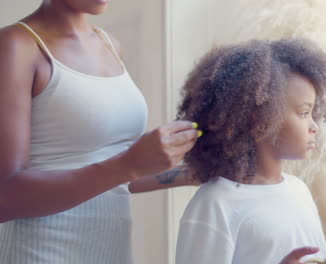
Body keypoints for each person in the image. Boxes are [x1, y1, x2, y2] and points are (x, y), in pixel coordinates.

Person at [162, 39, 326, 264]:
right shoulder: (215, 204)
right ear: (258, 120)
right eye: (304, 113)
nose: (314, 125)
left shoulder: (297, 190)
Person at [0, 0, 201, 263]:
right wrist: (128, 164)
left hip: (112, 252)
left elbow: (110, 178)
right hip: (43, 253)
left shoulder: (110, 45)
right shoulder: (16, 45)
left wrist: (193, 172)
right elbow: (5, 197)